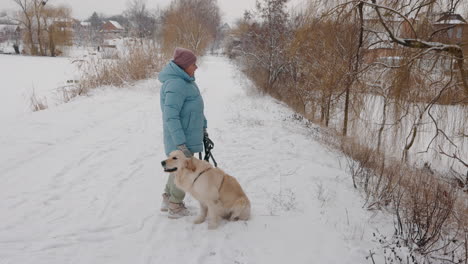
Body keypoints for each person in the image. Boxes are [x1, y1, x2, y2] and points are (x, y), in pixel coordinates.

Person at [158, 47, 208, 219]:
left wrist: (204, 126)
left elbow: (196, 109)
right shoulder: (176, 84)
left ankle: (167, 198)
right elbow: (170, 116)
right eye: (193, 64)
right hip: (181, 140)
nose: (196, 67)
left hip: (186, 136)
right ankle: (175, 206)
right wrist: (180, 143)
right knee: (183, 172)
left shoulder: (186, 81)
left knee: (175, 171)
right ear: (185, 65)